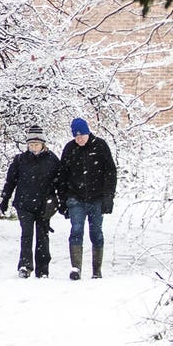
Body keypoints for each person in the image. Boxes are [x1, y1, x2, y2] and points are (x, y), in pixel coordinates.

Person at [57, 117, 117, 280]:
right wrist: (62, 200)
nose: (79, 139)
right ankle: (76, 268)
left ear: (87, 132)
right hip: (75, 198)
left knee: (96, 232)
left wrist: (108, 197)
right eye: (76, 137)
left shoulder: (100, 146)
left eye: (82, 135)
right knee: (76, 230)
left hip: (96, 198)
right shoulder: (70, 149)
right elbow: (62, 176)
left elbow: (110, 172)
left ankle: (96, 269)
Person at [0, 124, 61, 278]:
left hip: (44, 205)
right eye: (31, 144)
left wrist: (60, 201)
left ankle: (43, 269)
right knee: (26, 235)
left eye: (37, 144)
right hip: (24, 204)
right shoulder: (20, 160)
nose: (34, 147)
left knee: (43, 236)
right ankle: (25, 266)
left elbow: (60, 182)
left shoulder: (52, 159)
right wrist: (5, 198)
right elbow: (10, 180)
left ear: (43, 144)